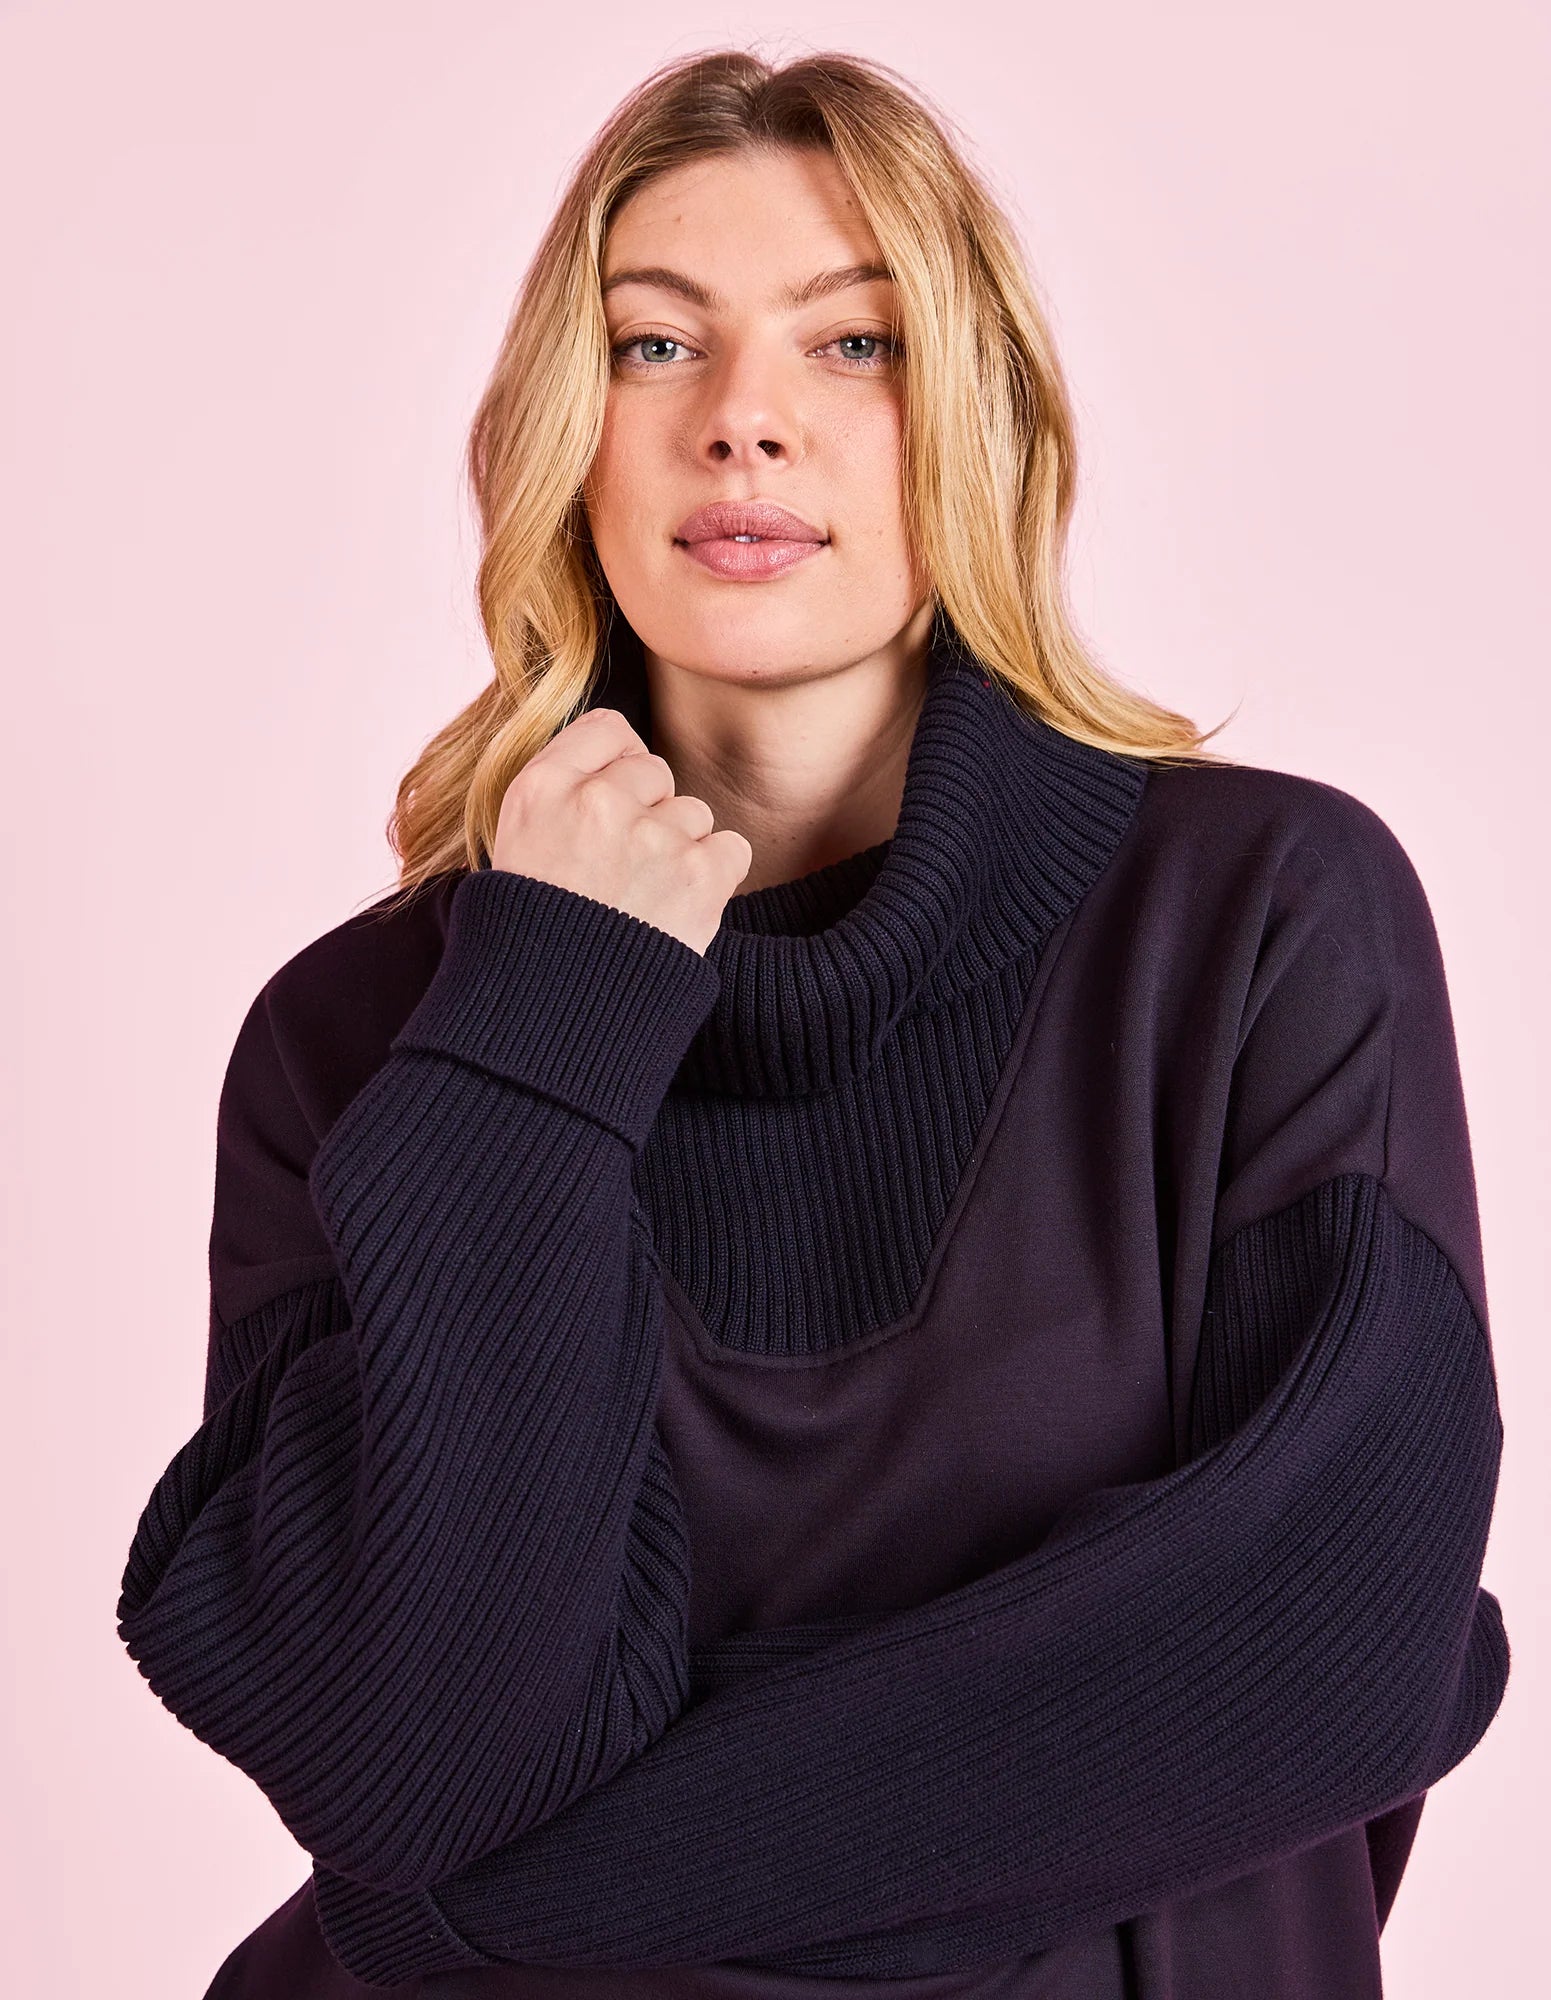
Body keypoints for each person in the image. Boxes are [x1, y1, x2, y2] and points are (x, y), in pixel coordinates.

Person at [116, 46, 1508, 2000]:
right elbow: (414, 1738)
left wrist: (481, 1911)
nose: (743, 423)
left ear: (978, 417)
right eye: (655, 345)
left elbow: (1325, 1642)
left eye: (852, 344)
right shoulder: (368, 1039)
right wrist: (544, 1028)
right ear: (561, 434)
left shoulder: (1258, 920)